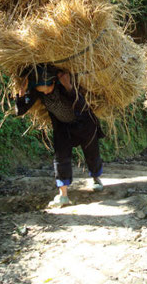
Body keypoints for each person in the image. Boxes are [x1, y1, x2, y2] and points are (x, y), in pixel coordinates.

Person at [14, 64, 104, 207]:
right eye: (41, 92)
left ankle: (96, 178)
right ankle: (63, 196)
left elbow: (82, 106)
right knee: (60, 158)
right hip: (63, 128)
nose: (46, 94)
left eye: (48, 90)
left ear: (53, 82)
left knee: (92, 153)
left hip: (85, 124)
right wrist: (22, 92)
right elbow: (20, 110)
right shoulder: (39, 92)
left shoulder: (66, 86)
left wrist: (68, 86)